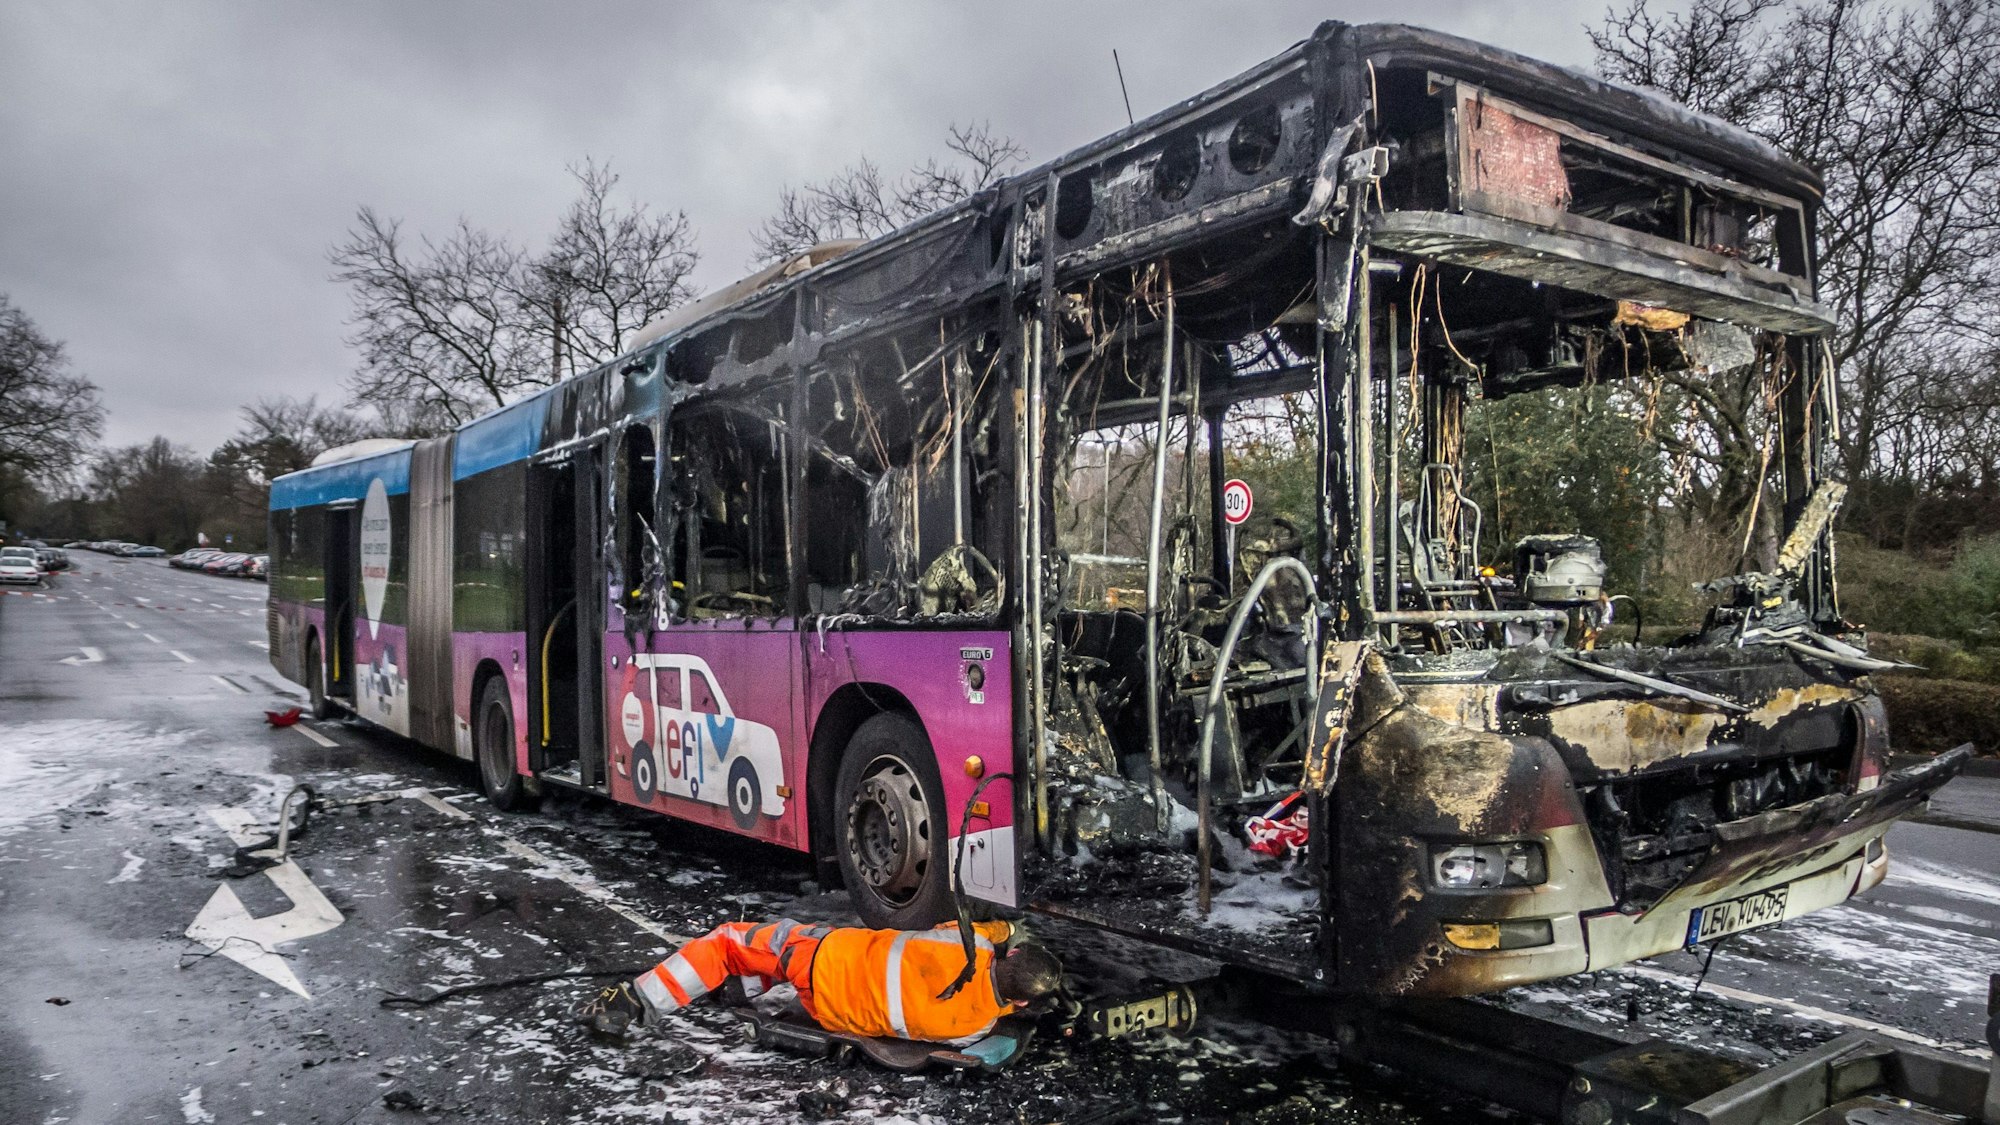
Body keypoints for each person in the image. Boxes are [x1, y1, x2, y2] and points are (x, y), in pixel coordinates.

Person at [573, 918, 1064, 1047]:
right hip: (828, 1013)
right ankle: (740, 987)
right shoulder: (976, 1023)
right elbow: (1002, 1008)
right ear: (1019, 1001)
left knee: (728, 941)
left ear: (1011, 955)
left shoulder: (970, 946)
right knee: (764, 962)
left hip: (820, 957)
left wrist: (1005, 931)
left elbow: (983, 931)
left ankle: (636, 1003)